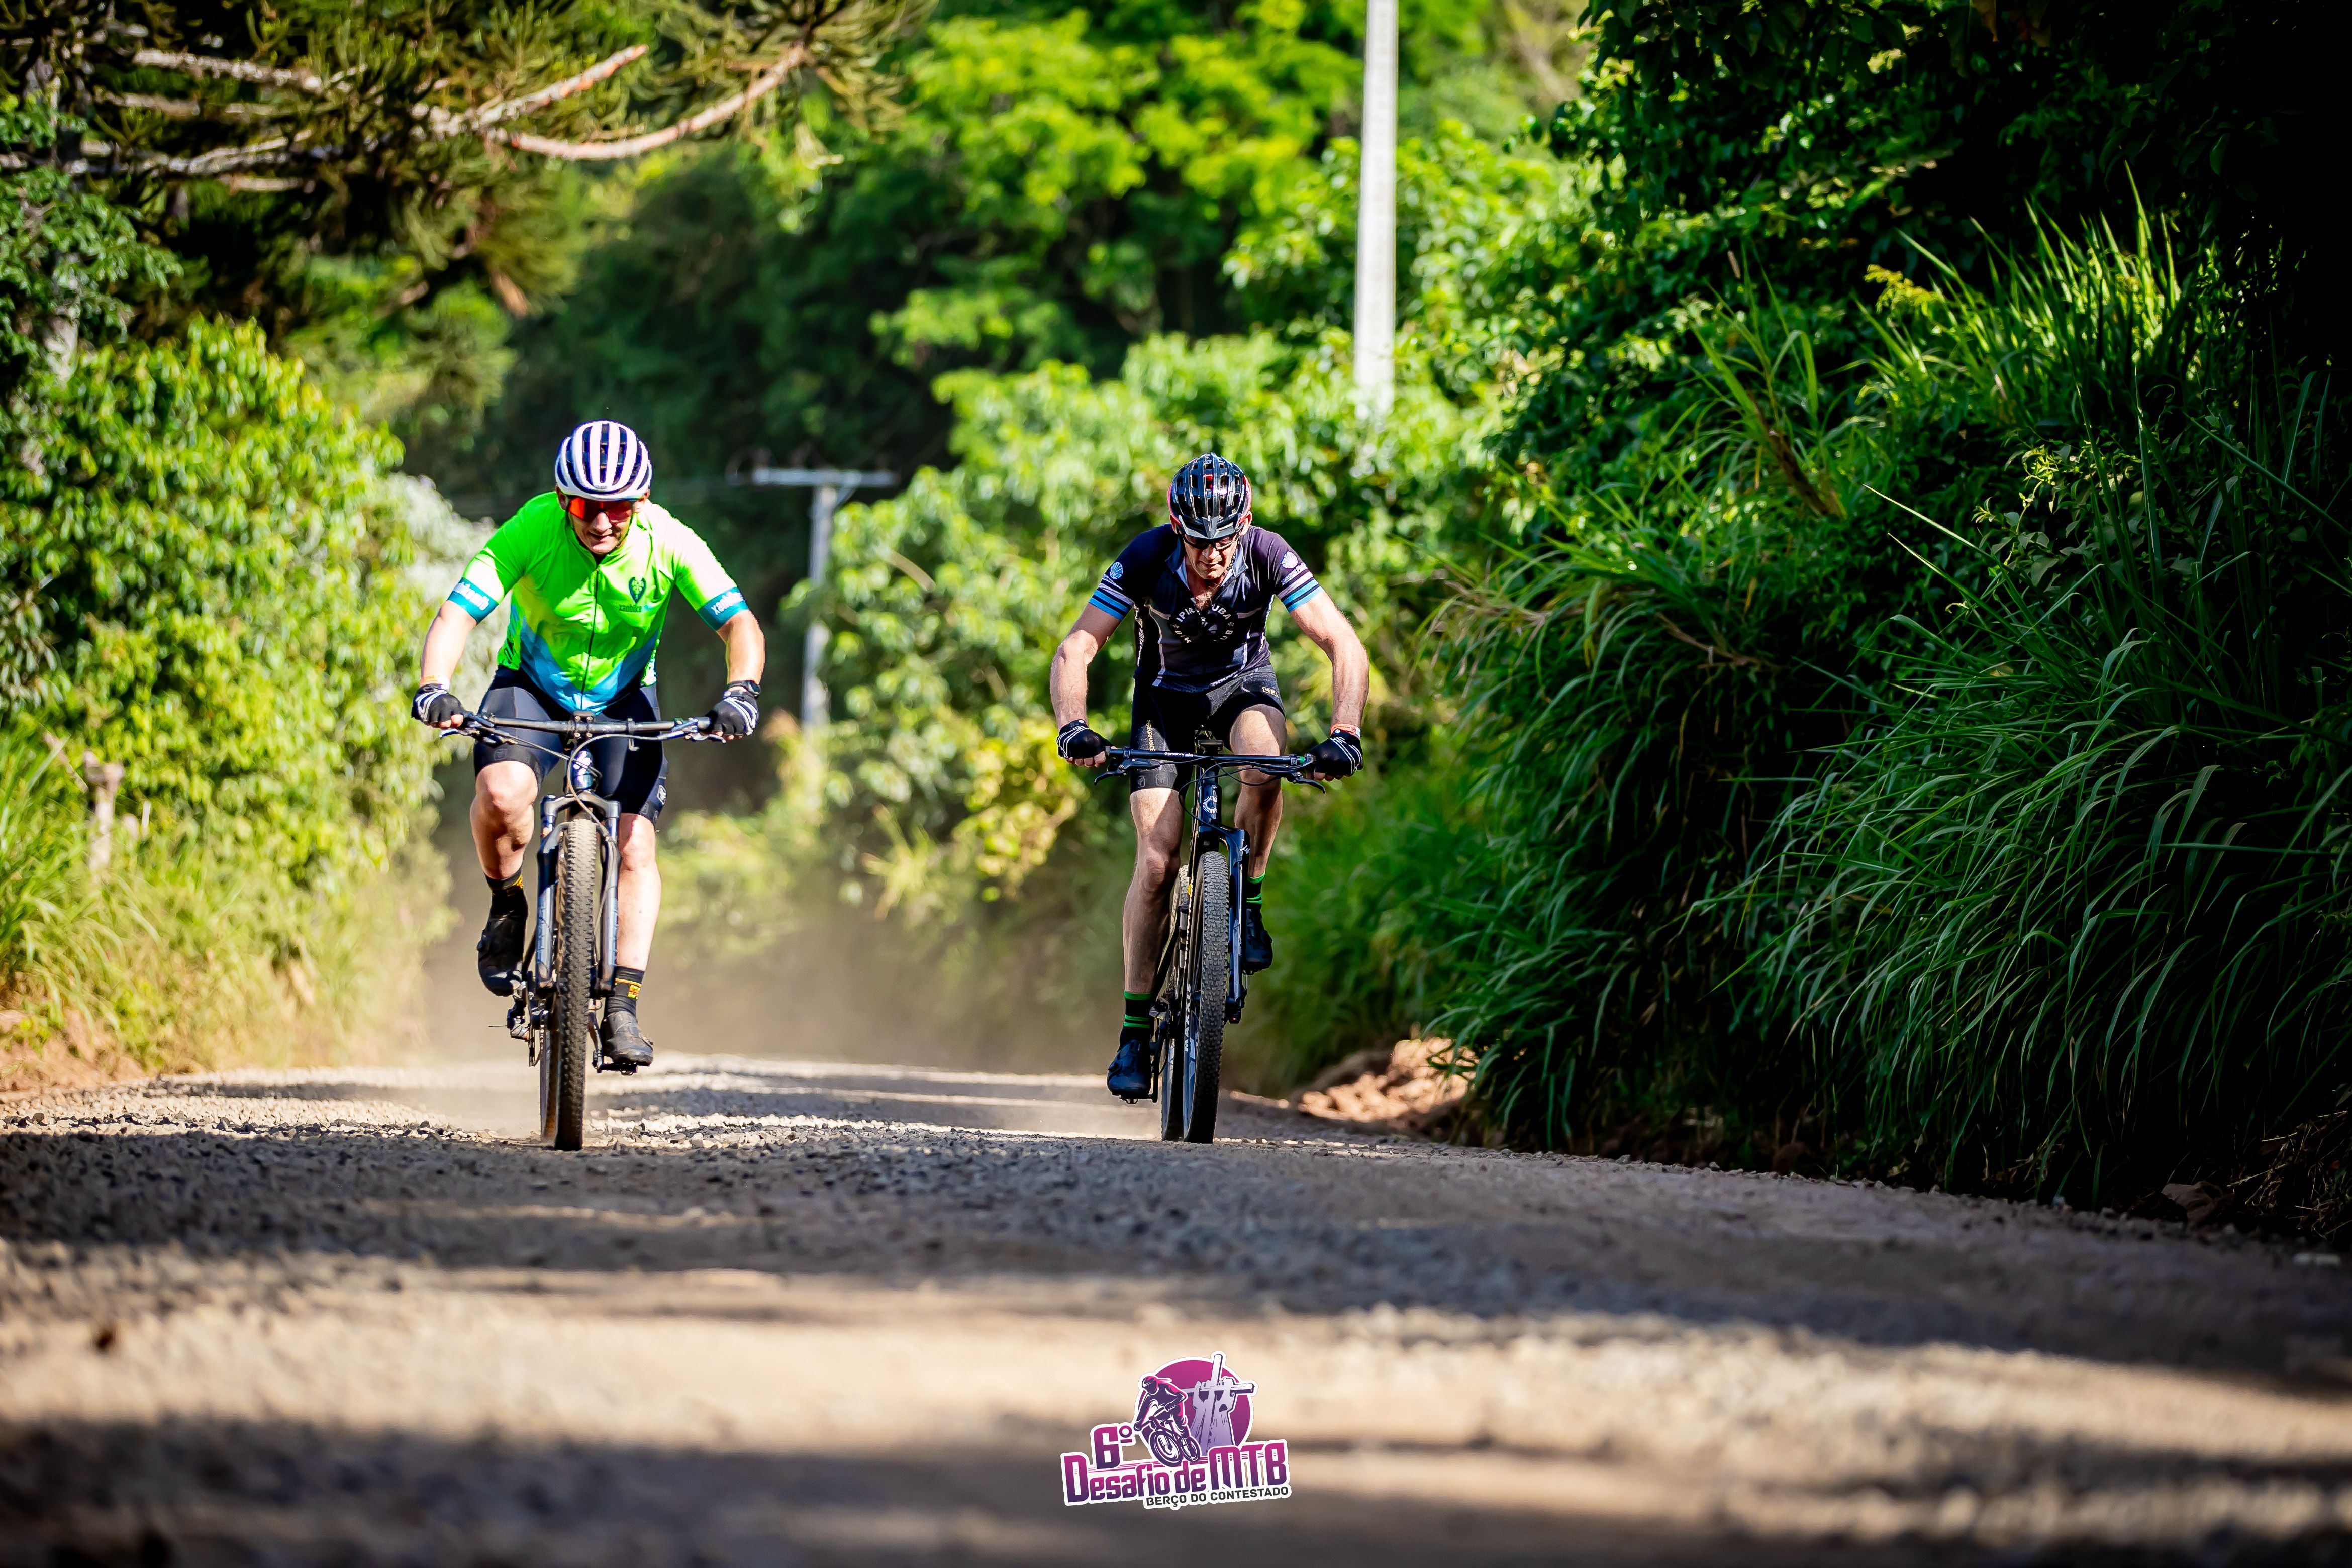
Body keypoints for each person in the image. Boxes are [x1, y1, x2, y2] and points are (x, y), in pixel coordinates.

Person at [409, 420, 766, 1070]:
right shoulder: (531, 528)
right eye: (583, 506)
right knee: (503, 793)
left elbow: (738, 623)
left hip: (623, 700)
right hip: (532, 690)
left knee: (636, 844)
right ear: (561, 499)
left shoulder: (669, 541)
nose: (601, 522)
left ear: (643, 502)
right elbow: (457, 613)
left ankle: (623, 1008)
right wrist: (435, 685)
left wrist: (741, 691)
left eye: (618, 509)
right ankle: (507, 905)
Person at [1048, 453, 1370, 1101]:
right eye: (1199, 542)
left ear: (1244, 525)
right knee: (1157, 864)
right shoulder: (1146, 556)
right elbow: (1077, 646)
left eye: (1225, 540)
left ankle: (1248, 905)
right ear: (1177, 528)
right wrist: (1073, 725)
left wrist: (1346, 731)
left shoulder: (1269, 553)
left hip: (1242, 691)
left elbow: (1343, 642)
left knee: (1264, 764)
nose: (1213, 556)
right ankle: (1135, 1032)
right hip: (1163, 702)